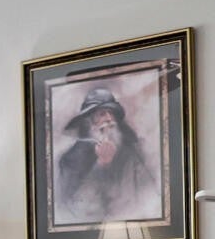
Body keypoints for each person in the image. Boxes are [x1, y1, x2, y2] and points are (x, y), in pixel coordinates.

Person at [50, 84, 157, 224]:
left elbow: (148, 196)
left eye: (112, 113)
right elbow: (73, 208)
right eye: (102, 114)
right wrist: (101, 165)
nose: (109, 119)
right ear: (89, 122)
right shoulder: (70, 159)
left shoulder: (130, 154)